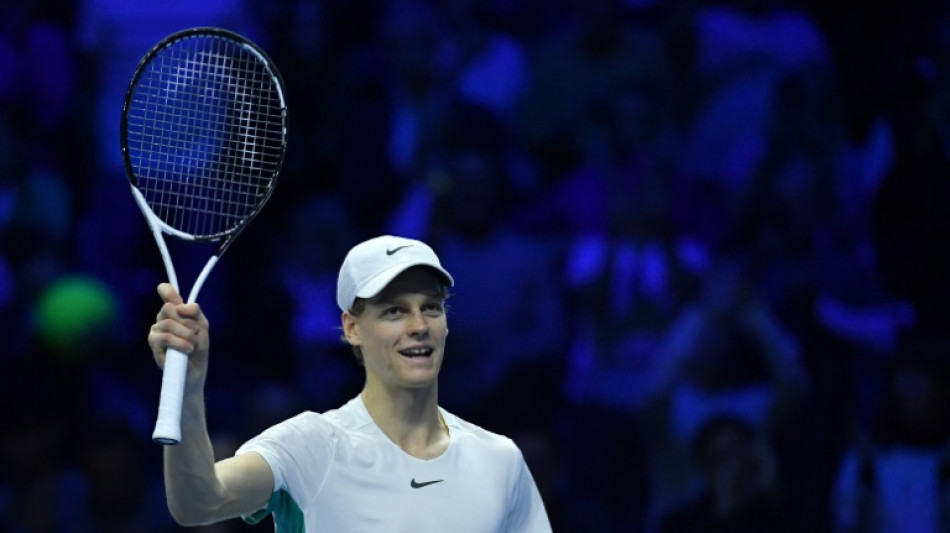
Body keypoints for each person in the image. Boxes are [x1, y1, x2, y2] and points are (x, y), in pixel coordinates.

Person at [147, 234, 552, 532]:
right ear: (352, 328)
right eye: (394, 311)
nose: (418, 327)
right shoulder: (310, 444)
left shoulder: (501, 460)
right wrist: (189, 383)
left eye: (431, 308)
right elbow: (200, 502)